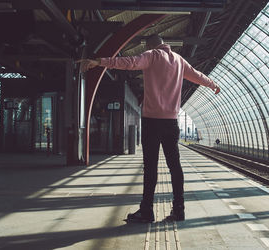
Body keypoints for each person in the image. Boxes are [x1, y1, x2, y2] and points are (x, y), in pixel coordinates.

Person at [77, 34, 220, 223]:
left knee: (150, 168)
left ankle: (146, 211)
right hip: (171, 123)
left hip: (152, 122)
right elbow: (197, 75)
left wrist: (99, 62)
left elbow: (128, 62)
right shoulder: (179, 60)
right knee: (175, 167)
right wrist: (213, 85)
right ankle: (179, 210)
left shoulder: (151, 55)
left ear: (150, 45)